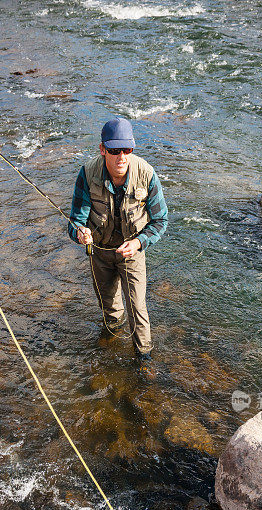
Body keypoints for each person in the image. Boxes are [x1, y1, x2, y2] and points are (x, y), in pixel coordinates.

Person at [68, 118, 168, 358]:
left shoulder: (146, 174)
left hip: (132, 253)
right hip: (99, 254)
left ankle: (144, 359)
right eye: (114, 150)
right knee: (110, 310)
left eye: (127, 150)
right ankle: (111, 347)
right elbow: (74, 223)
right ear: (102, 150)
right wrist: (80, 234)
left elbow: (160, 222)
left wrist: (137, 243)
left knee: (138, 309)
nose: (122, 156)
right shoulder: (87, 174)